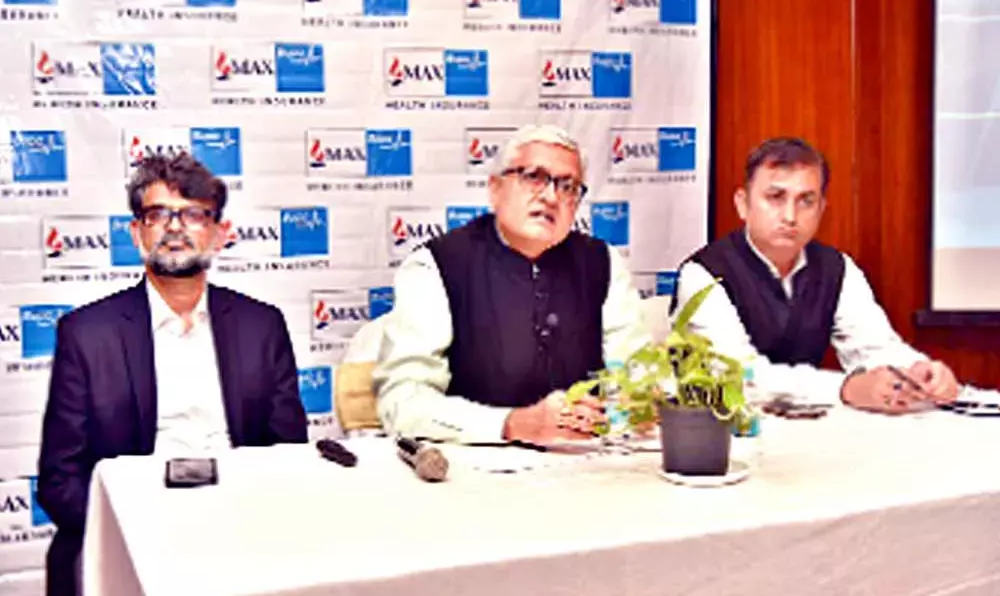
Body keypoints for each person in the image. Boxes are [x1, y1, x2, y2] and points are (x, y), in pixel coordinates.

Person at [37, 153, 308, 596]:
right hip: (132, 535)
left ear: (219, 234)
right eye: (158, 214)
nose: (175, 226)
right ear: (136, 232)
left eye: (194, 214)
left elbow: (286, 454)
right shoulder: (87, 334)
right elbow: (59, 480)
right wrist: (138, 534)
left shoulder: (262, 325)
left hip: (240, 531)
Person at [373, 125, 650, 444]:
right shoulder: (436, 265)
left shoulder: (603, 263)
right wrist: (511, 424)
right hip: (469, 472)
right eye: (534, 177)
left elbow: (638, 383)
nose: (550, 197)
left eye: (568, 186)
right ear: (495, 188)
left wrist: (614, 415)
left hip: (584, 463)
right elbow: (403, 402)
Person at [670, 137, 959, 413]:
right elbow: (740, 376)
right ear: (743, 204)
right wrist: (844, 388)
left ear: (821, 209)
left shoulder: (836, 268)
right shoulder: (703, 274)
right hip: (723, 438)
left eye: (806, 201)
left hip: (810, 432)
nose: (790, 216)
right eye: (775, 198)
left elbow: (874, 346)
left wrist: (917, 372)